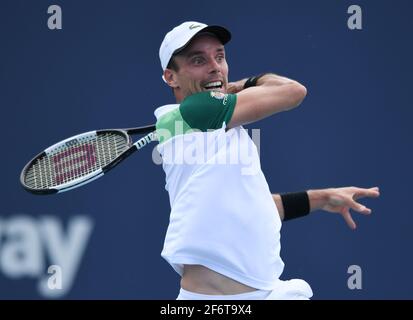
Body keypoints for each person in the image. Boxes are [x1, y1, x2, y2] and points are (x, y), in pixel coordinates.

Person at [154, 21, 380, 300]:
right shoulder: (194, 112)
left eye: (220, 56)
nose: (215, 67)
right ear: (171, 77)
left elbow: (249, 206)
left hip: (267, 292)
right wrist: (244, 84)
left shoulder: (209, 128)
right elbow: (293, 91)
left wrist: (321, 199)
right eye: (198, 60)